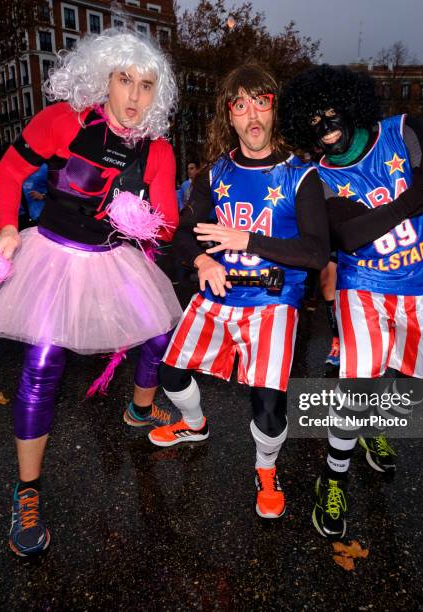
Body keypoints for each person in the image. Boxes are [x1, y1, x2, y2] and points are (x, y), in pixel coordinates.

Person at [0, 28, 183, 557]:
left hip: (113, 261)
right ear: (104, 80)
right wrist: (4, 227)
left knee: (160, 333)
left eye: (147, 85)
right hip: (53, 256)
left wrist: (144, 222)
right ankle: (27, 494)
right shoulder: (64, 121)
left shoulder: (158, 151)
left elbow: (168, 224)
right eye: (124, 80)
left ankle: (138, 408)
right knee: (42, 366)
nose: (135, 95)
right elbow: (9, 172)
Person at [280, 65, 423, 539]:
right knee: (357, 386)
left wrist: (388, 210)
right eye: (312, 119)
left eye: (331, 112)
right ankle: (331, 479)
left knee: (403, 382)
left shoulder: (403, 130)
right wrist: (413, 198)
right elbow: (350, 237)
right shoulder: (317, 177)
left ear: (352, 104)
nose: (324, 124)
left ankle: (370, 424)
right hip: (365, 288)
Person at [148, 63, 330, 519]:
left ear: (275, 111)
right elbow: (184, 233)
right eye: (241, 105)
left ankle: (266, 468)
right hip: (217, 295)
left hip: (273, 303)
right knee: (168, 374)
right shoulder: (213, 174)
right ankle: (195, 424)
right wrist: (202, 259)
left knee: (267, 406)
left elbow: (315, 253)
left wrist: (246, 240)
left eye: (261, 103)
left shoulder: (301, 176)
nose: (252, 116)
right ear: (228, 116)